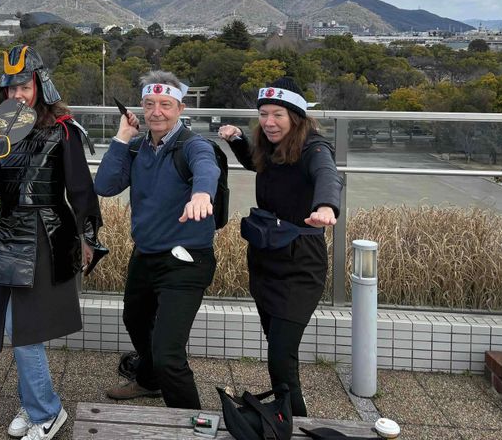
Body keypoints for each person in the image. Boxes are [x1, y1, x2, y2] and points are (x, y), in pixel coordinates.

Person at [0, 45, 104, 440]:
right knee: (21, 328)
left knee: (25, 329)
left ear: (40, 85)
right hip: (9, 232)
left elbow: (81, 190)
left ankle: (47, 411)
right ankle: (35, 403)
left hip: (47, 234)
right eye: (10, 88)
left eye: (24, 86)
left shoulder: (63, 128)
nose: (17, 95)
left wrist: (89, 238)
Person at [95, 70, 220, 409]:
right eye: (149, 104)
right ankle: (149, 381)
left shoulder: (192, 144)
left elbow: (207, 167)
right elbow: (104, 186)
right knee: (134, 320)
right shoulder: (137, 148)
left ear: (180, 109)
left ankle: (191, 424)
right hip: (146, 253)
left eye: (166, 104)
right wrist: (121, 138)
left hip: (186, 259)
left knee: (168, 355)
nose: (156, 112)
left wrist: (201, 195)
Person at [218, 76, 342, 417]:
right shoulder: (272, 146)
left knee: (280, 358)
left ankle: (295, 421)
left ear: (297, 116)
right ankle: (286, 414)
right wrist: (239, 140)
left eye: (278, 115)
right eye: (263, 114)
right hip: (265, 257)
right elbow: (255, 163)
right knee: (277, 348)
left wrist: (327, 206)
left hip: (300, 263)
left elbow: (328, 175)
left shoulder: (313, 148)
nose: (269, 122)